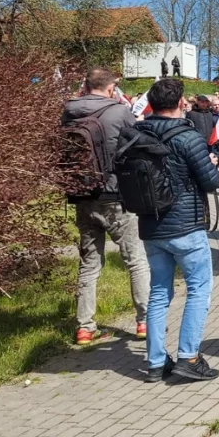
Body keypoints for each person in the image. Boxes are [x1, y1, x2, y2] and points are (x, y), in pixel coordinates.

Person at [133, 78, 219, 382]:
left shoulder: (136, 134)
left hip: (150, 224)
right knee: (199, 289)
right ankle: (189, 356)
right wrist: (213, 162)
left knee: (159, 292)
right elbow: (210, 182)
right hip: (185, 226)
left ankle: (156, 362)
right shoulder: (188, 137)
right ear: (180, 101)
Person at [61, 68, 151, 345]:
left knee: (89, 263)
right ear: (111, 87)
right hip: (115, 195)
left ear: (85, 86)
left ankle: (85, 327)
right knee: (135, 260)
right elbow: (137, 147)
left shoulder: (68, 111)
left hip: (82, 194)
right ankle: (145, 322)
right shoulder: (119, 112)